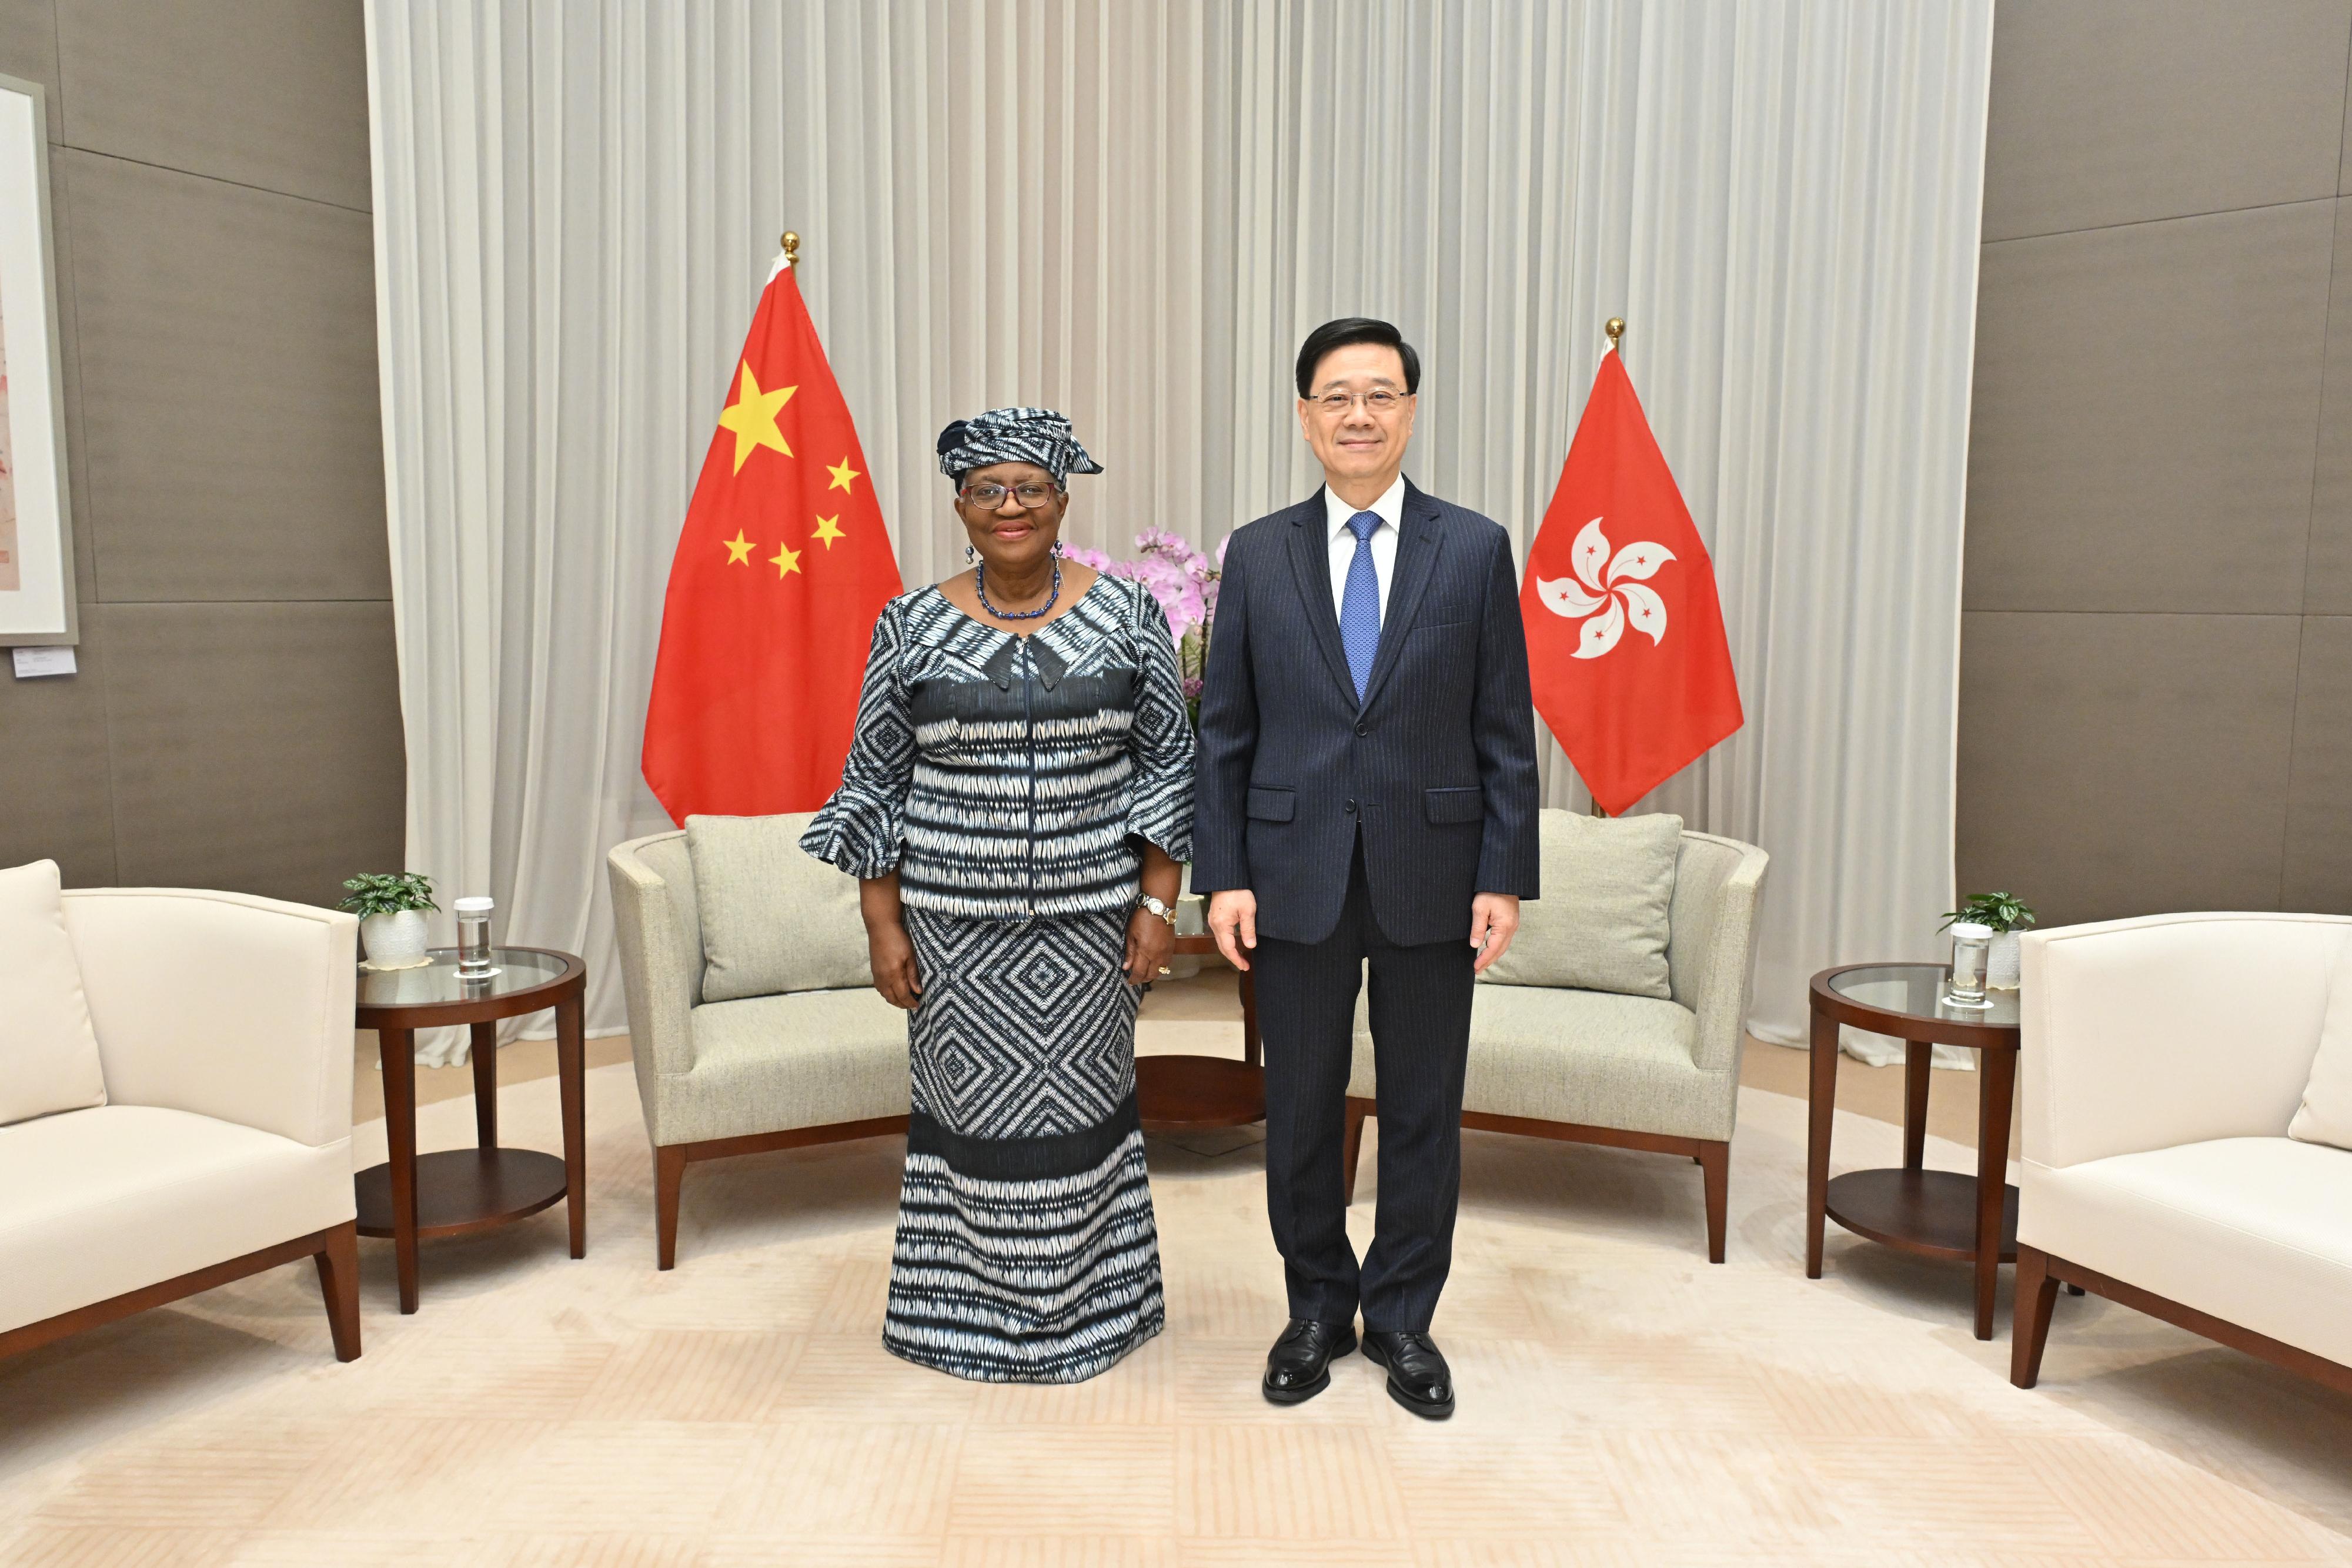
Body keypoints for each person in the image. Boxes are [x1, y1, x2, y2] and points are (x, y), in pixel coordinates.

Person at [801, 406, 1194, 1383]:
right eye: (988, 490)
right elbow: (875, 783)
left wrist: (1157, 908)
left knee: (1085, 1118)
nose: (1010, 506)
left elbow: (1171, 770)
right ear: (960, 506)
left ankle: (1092, 1317)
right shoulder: (910, 624)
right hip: (952, 937)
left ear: (1063, 500)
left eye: (1030, 488)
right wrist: (882, 923)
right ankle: (957, 1320)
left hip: (1089, 934)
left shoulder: (1130, 615)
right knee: (968, 1124)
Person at [1192, 319, 1540, 1419]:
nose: (1358, 415)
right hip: (1290, 874)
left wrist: (1503, 874)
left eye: (1379, 395)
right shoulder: (1256, 552)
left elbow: (1503, 734)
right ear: (1304, 418)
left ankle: (1400, 1319)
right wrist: (1225, 872)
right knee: (1297, 1109)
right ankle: (1313, 1310)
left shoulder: (1475, 548)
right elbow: (1227, 734)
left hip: (1433, 875)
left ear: (1411, 411)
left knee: (1425, 1107)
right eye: (1335, 397)